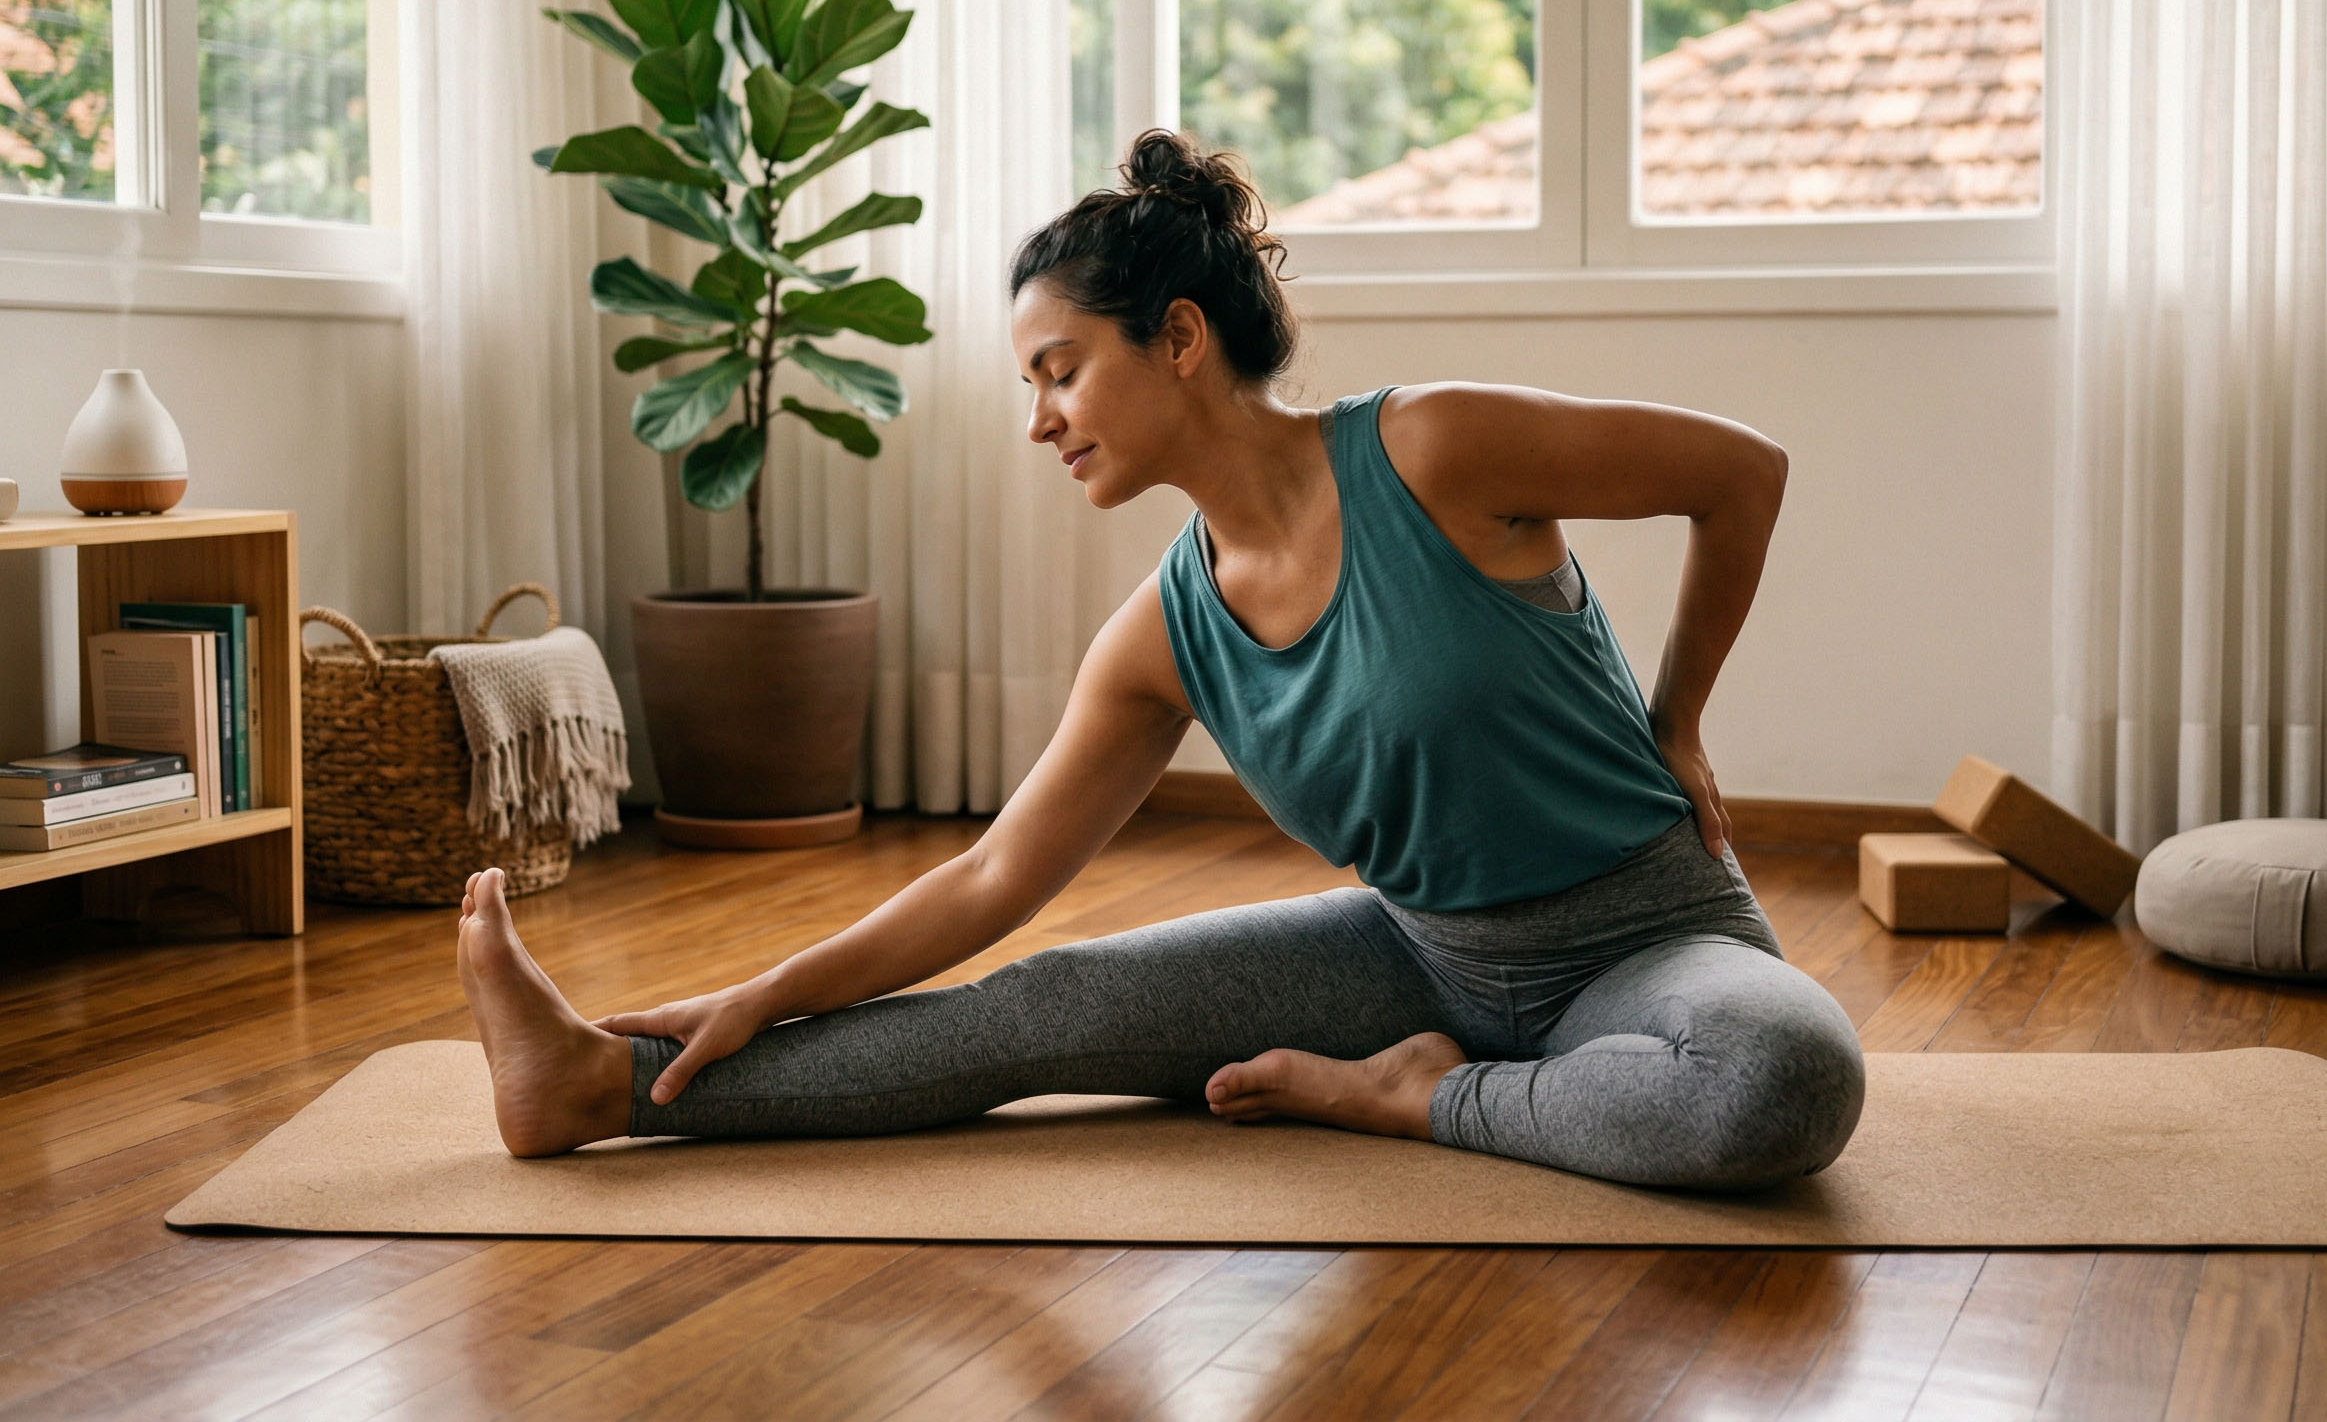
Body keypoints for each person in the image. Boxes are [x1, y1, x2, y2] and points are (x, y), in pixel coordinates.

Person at [456, 128, 1867, 1190]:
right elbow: (994, 878)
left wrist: (1677, 722)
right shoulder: (1162, 636)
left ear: (1180, 339)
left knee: (1779, 1078)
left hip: (1649, 939)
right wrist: (772, 987)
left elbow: (1742, 474)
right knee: (1047, 1009)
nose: (1041, 420)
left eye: (1060, 371)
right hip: (1416, 959)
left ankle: (1411, 1102)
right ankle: (602, 1086)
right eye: (1030, 386)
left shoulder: (1432, 450)